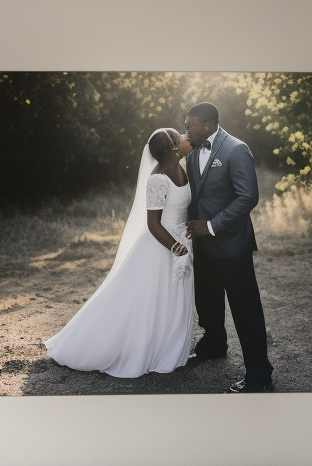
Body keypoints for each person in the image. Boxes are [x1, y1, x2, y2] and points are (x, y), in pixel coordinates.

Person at [44, 128, 195, 378]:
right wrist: (174, 247)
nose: (183, 135)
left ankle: (167, 348)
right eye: (178, 135)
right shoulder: (157, 179)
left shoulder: (184, 168)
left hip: (182, 244)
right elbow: (153, 224)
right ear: (172, 148)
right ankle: (91, 345)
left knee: (172, 300)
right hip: (160, 248)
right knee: (146, 302)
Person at [183, 102, 274, 393]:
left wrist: (210, 226)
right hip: (203, 246)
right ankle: (213, 345)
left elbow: (248, 197)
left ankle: (259, 375)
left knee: (245, 310)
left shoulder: (236, 149)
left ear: (208, 125)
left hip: (232, 246)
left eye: (190, 123)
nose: (186, 128)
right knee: (207, 300)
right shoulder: (193, 149)